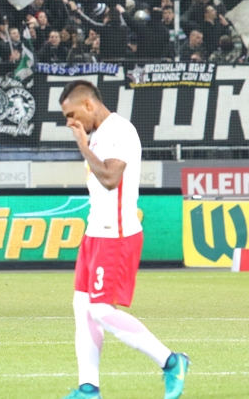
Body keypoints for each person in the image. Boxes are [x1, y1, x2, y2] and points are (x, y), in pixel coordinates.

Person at [59, 81, 188, 399]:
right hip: (95, 233)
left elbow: (110, 178)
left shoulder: (119, 131)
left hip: (115, 235)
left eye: (72, 114)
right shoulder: (100, 133)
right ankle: (89, 389)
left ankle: (171, 362)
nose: (70, 123)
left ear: (89, 105)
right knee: (83, 308)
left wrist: (82, 145)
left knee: (101, 310)